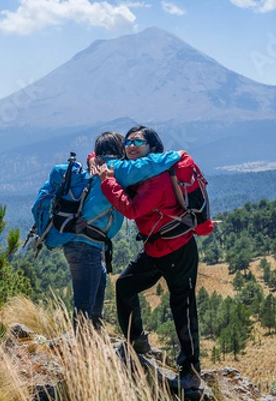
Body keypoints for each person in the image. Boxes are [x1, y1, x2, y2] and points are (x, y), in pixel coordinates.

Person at [90, 126, 205, 390]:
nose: (131, 145)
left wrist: (107, 180)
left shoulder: (159, 177)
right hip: (156, 248)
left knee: (183, 308)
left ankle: (191, 371)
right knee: (126, 285)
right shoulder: (139, 171)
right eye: (128, 141)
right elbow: (109, 164)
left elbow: (133, 209)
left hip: (178, 250)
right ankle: (136, 342)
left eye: (138, 142)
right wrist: (97, 161)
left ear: (152, 147)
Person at [33, 131, 125, 329]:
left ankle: (92, 348)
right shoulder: (113, 170)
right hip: (85, 247)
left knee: (92, 304)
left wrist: (93, 159)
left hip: (82, 245)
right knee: (84, 307)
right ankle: (82, 354)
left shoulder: (94, 171)